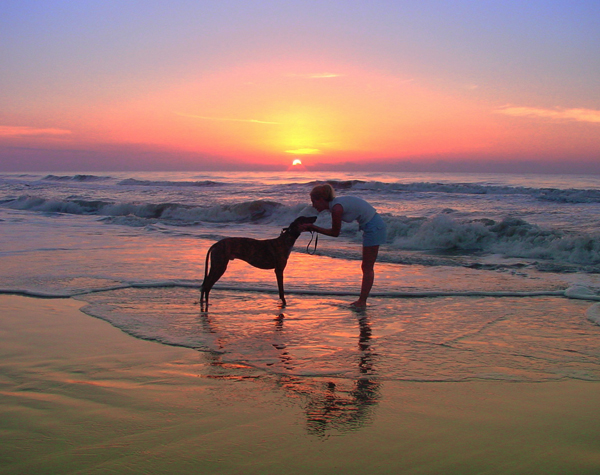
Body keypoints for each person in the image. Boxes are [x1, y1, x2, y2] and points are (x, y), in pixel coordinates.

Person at [301, 183, 387, 308]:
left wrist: (313, 227)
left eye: (314, 202)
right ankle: (362, 300)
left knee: (367, 267)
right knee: (366, 267)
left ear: (321, 200)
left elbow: (335, 233)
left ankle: (362, 301)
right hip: (371, 225)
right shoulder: (336, 205)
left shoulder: (336, 208)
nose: (313, 206)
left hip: (374, 227)